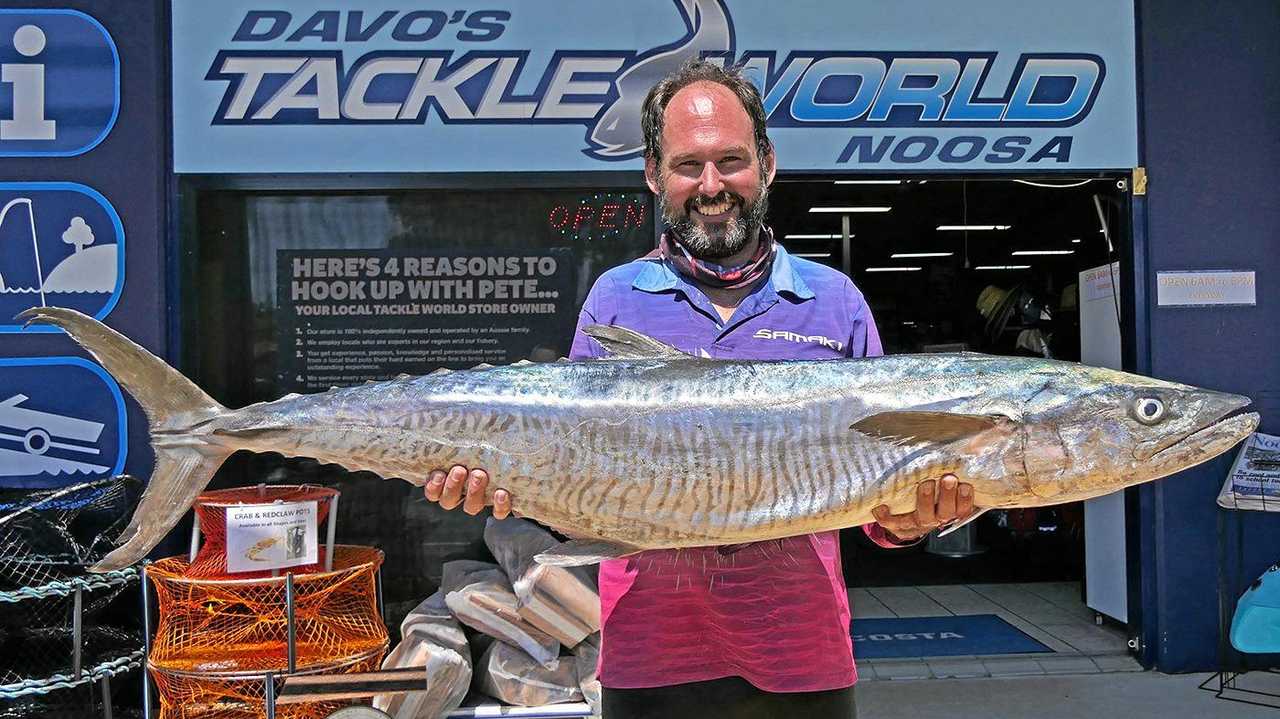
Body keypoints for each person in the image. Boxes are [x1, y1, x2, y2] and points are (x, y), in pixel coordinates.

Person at [423, 59, 975, 718]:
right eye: (688, 165)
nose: (712, 185)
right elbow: (581, 491)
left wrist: (909, 522)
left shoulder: (834, 300)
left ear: (767, 163)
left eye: (731, 160)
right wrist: (513, 487)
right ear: (655, 174)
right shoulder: (617, 297)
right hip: (650, 657)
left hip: (802, 656)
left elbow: (875, 506)